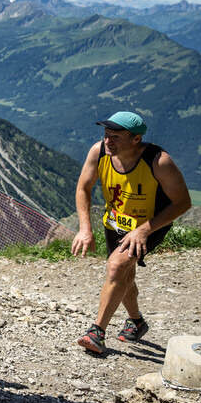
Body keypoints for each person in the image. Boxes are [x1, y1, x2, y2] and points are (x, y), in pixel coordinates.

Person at [71, 111, 191, 355]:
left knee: (116, 267)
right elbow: (83, 187)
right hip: (114, 223)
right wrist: (85, 228)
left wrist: (144, 230)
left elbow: (182, 203)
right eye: (106, 134)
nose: (108, 141)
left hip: (150, 225)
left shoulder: (158, 161)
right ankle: (136, 322)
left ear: (136, 139)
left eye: (116, 137)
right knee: (124, 275)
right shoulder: (99, 152)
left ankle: (96, 333)